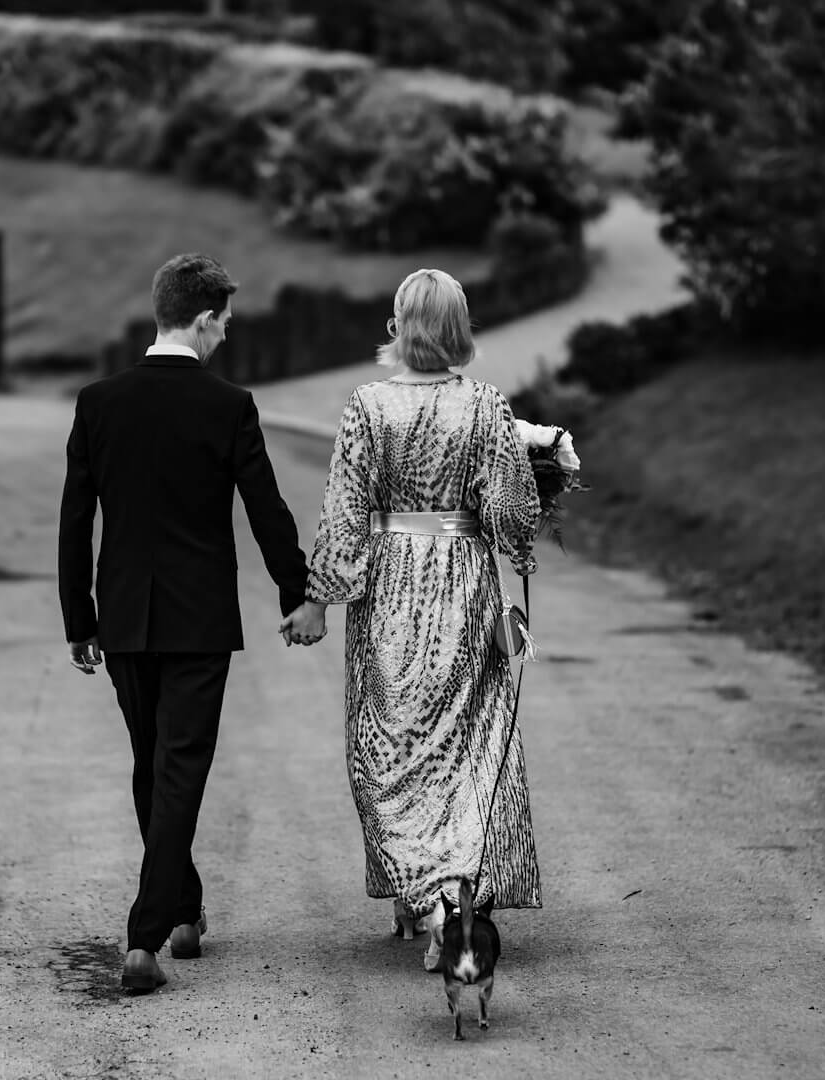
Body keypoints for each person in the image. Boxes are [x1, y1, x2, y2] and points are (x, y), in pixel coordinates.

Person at [58, 252, 324, 994]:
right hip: (201, 619)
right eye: (225, 325)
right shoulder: (227, 405)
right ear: (202, 318)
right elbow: (265, 509)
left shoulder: (99, 401)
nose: (226, 338)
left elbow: (76, 517)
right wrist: (296, 592)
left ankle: (184, 908)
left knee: (154, 764)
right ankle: (147, 936)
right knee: (175, 768)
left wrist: (79, 615)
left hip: (126, 621)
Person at [285, 268, 542, 971]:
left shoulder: (368, 405)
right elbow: (509, 515)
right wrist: (532, 490)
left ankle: (428, 898)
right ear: (460, 331)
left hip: (393, 585)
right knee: (467, 741)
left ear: (398, 327)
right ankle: (460, 887)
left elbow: (345, 511)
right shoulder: (486, 406)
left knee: (389, 747)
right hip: (463, 580)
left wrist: (319, 595)